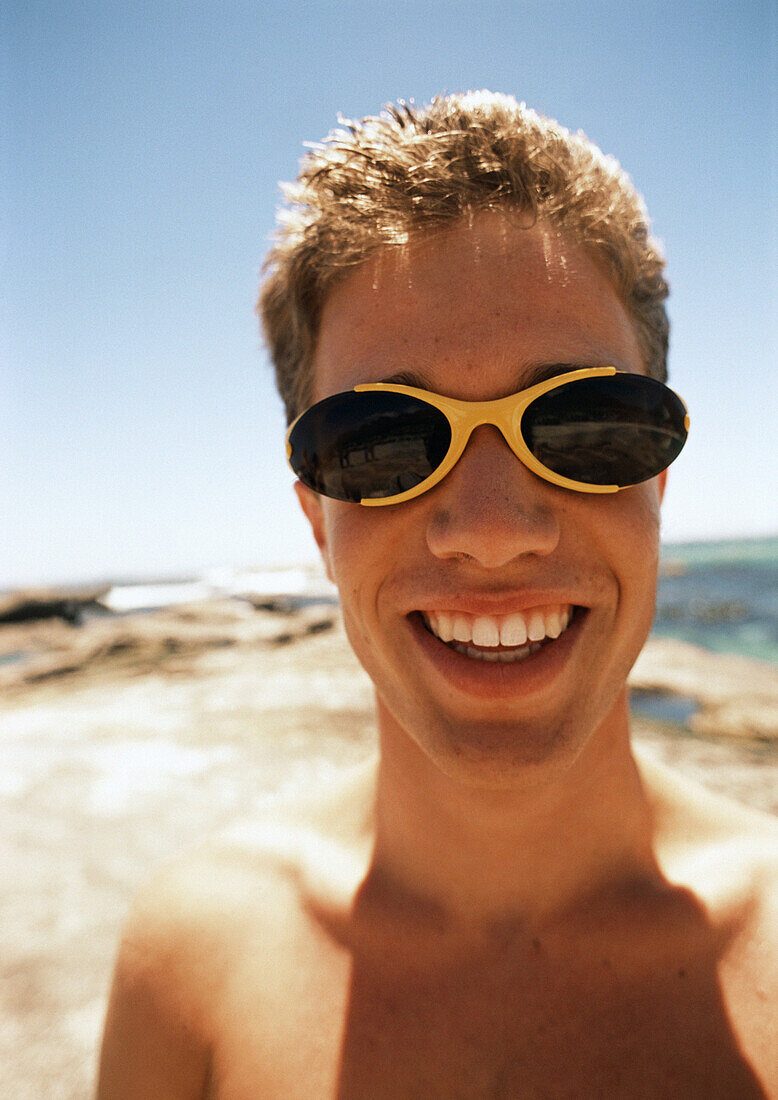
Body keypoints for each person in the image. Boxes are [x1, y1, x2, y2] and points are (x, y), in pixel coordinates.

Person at [97, 92, 778, 1098]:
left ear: (656, 484)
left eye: (585, 423)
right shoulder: (190, 961)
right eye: (382, 440)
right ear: (318, 522)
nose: (494, 528)